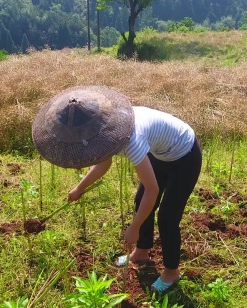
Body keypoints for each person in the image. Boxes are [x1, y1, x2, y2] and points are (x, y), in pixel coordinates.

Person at [32, 85, 202, 293]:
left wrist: (134, 228)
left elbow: (153, 190)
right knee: (141, 202)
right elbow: (104, 163)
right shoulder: (104, 129)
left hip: (184, 155)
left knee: (167, 216)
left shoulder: (132, 139)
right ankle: (141, 252)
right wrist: (79, 188)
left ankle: (171, 272)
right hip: (160, 154)